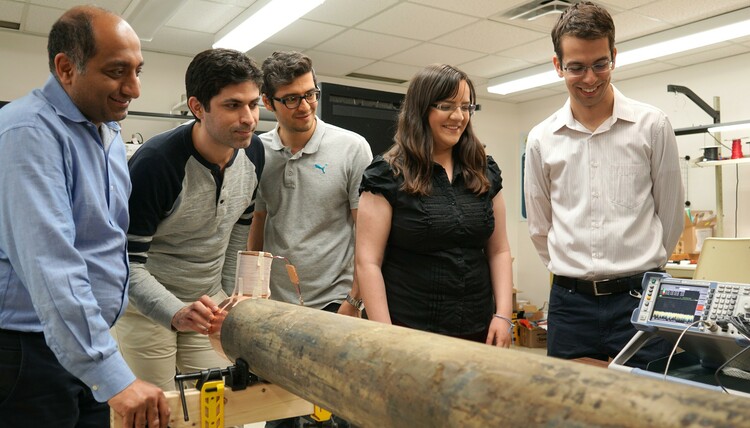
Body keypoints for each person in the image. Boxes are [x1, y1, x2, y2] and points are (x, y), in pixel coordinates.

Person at [0, 6, 169, 428]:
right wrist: (111, 376)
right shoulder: (28, 133)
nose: (134, 88)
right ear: (66, 68)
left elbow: (105, 242)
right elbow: (51, 265)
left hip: (83, 342)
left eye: (138, 70)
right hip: (28, 354)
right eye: (117, 71)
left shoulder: (107, 129)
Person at [524, 1, 684, 368]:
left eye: (600, 64)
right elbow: (540, 226)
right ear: (557, 66)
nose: (590, 79)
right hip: (571, 302)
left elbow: (671, 215)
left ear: (614, 56)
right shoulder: (540, 139)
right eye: (576, 68)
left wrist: (640, 267)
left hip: (641, 297)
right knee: (570, 415)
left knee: (649, 411)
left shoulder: (652, 126)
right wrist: (573, 270)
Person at [114, 48, 265, 392]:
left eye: (253, 104)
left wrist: (228, 297)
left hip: (208, 304)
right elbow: (126, 263)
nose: (249, 118)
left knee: (219, 402)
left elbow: (238, 232)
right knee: (157, 409)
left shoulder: (253, 152)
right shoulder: (156, 163)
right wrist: (174, 311)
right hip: (145, 310)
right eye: (232, 105)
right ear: (198, 107)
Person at [248, 51, 372, 428]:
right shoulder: (257, 151)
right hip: (277, 308)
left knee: (336, 412)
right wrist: (252, 293)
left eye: (310, 93)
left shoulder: (352, 148)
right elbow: (258, 221)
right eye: (291, 98)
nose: (305, 106)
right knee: (280, 412)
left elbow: (366, 238)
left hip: (335, 304)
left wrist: (353, 301)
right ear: (268, 102)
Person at [356, 64, 514, 347]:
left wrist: (503, 315)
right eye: (446, 105)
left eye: (466, 106)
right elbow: (368, 262)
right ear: (421, 109)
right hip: (410, 331)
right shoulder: (387, 174)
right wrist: (385, 337)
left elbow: (499, 250)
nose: (458, 116)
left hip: (479, 330)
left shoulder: (484, 170)